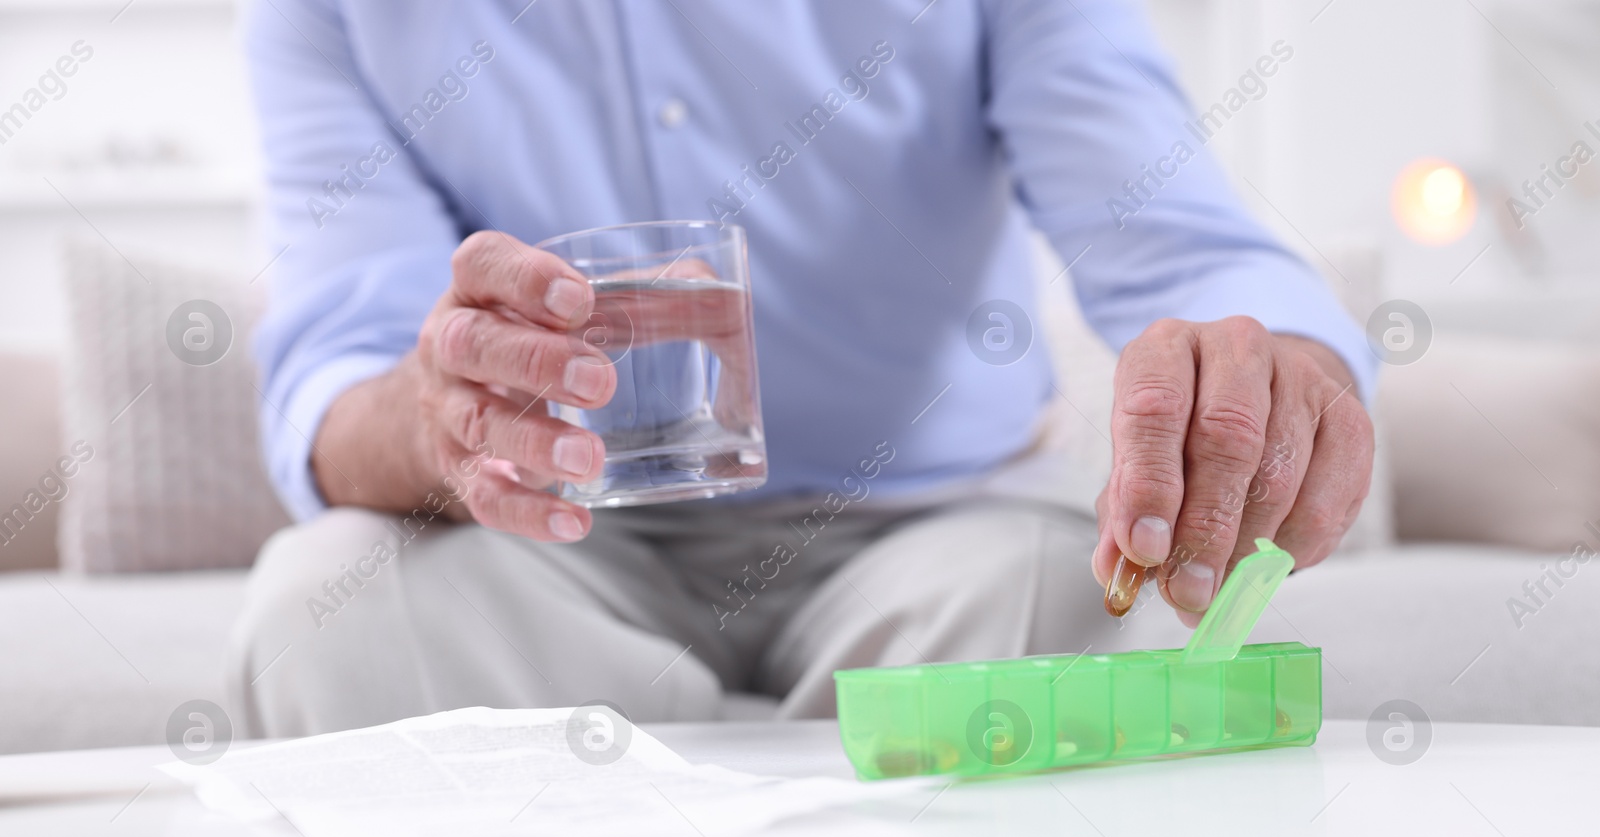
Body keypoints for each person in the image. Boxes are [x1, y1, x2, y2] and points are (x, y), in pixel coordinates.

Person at [229, 0, 1374, 736]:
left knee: (1070, 603)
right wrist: (433, 412)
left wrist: (1265, 366)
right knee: (320, 610)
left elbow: (1182, 243)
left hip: (934, 528)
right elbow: (340, 373)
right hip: (550, 542)